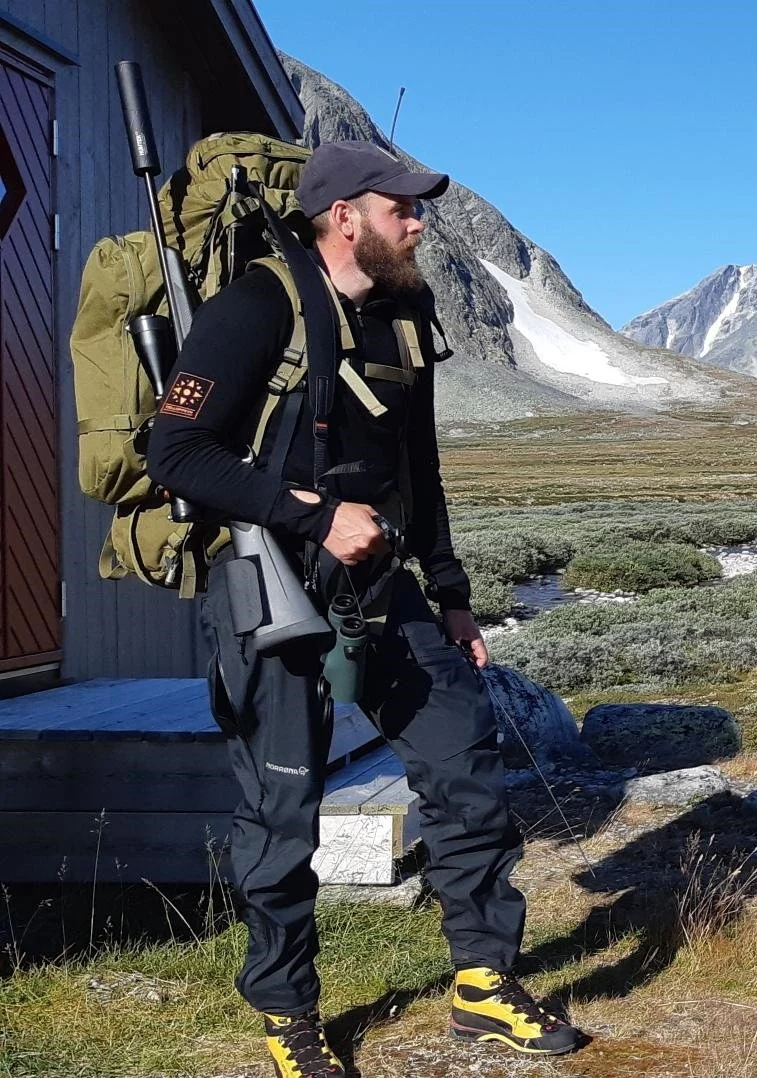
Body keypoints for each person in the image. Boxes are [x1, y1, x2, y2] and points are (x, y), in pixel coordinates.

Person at [147, 140, 584, 1077]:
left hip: (388, 584)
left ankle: (480, 983)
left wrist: (453, 595)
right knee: (283, 812)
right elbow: (175, 451)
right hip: (272, 588)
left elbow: (416, 467)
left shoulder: (406, 309)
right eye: (404, 210)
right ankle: (288, 1013)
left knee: (464, 764)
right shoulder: (257, 305)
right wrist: (308, 513)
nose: (420, 224)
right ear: (345, 216)